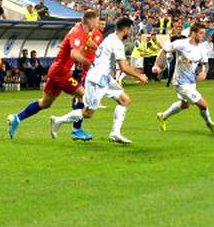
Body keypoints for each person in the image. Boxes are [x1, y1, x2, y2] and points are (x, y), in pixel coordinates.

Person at [50, 17, 148, 145]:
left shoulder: (110, 37)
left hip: (105, 77)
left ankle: (115, 133)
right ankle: (58, 120)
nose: (130, 33)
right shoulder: (116, 43)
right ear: (126, 29)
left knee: (125, 100)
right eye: (130, 30)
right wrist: (139, 76)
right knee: (88, 113)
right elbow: (123, 67)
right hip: (96, 79)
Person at [7, 11, 103, 141]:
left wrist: (99, 50)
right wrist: (90, 64)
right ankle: (76, 130)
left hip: (56, 70)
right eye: (97, 21)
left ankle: (17, 118)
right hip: (61, 72)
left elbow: (89, 42)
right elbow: (75, 54)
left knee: (45, 103)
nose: (98, 24)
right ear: (90, 21)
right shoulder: (77, 32)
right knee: (84, 96)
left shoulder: (82, 30)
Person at [153, 22, 214, 135]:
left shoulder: (202, 48)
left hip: (191, 81)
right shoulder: (181, 44)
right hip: (180, 82)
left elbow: (205, 64)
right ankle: (210, 124)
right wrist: (158, 66)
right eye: (201, 33)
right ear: (193, 33)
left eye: (204, 33)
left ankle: (163, 116)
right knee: (203, 104)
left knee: (185, 104)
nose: (203, 36)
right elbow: (165, 50)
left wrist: (204, 72)